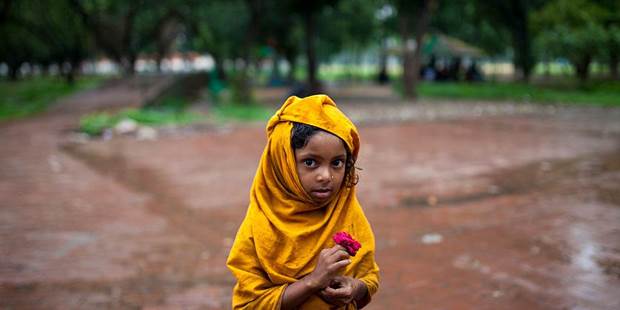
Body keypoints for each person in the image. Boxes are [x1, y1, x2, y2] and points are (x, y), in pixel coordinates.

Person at [226, 94, 380, 309]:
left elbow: (369, 276)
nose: (326, 176)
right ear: (284, 162)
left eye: (337, 162)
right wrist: (312, 281)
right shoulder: (259, 227)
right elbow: (249, 304)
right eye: (310, 162)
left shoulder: (347, 213)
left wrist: (355, 287)